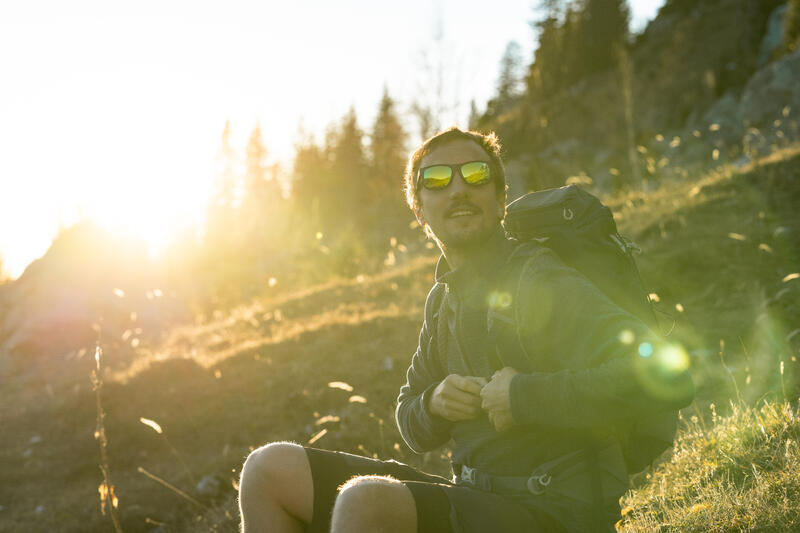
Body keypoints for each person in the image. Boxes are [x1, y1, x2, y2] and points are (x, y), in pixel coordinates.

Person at [237, 127, 694, 532]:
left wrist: (523, 397)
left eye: (475, 175)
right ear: (420, 213)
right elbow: (410, 422)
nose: (458, 187)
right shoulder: (444, 299)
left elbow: (669, 377)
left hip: (555, 511)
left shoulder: (540, 278)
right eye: (436, 180)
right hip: (477, 495)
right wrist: (435, 404)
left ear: (499, 202)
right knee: (267, 470)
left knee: (366, 502)